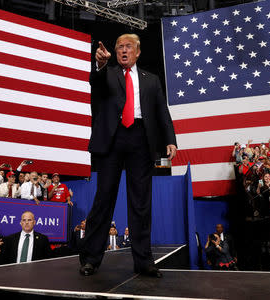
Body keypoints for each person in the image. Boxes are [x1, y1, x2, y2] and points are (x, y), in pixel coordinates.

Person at [79, 34, 177, 278]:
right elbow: (96, 82)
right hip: (112, 139)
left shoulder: (151, 80)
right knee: (103, 199)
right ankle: (90, 259)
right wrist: (100, 64)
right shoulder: (108, 73)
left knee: (141, 203)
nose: (123, 50)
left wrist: (170, 140)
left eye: (128, 47)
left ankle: (144, 262)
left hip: (141, 139)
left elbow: (161, 111)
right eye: (119, 47)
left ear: (138, 52)